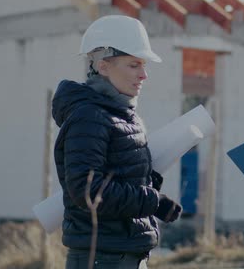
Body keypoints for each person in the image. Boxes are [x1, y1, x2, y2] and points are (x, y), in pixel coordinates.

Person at [52, 15, 182, 269]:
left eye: (143, 65)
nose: (144, 75)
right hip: (104, 257)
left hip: (122, 253)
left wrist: (144, 179)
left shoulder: (116, 115)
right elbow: (88, 190)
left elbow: (112, 178)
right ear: (103, 66)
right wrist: (153, 201)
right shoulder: (90, 117)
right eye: (134, 65)